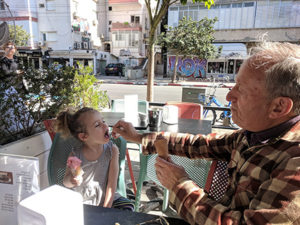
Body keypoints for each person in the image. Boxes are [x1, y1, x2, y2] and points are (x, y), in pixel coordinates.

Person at [112, 41, 300, 224]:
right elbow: (198, 145)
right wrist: (138, 137)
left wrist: (179, 185)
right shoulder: (253, 135)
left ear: (279, 107)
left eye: (241, 89)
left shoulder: (294, 162)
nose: (229, 96)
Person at [55, 107, 134, 211]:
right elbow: (65, 182)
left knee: (128, 206)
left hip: (107, 198)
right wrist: (72, 180)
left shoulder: (112, 151)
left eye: (103, 121)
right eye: (97, 125)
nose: (105, 125)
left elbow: (112, 184)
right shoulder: (75, 154)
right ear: (84, 136)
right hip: (83, 201)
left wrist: (106, 209)